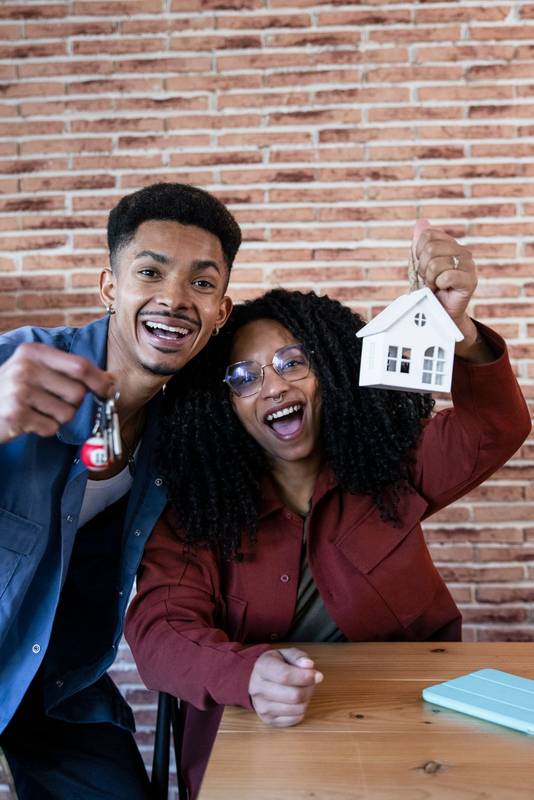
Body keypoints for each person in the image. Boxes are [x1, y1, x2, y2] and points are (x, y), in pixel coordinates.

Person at [125, 224, 531, 798]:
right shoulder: (199, 509)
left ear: (331, 375)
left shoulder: (388, 464)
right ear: (224, 405)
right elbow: (160, 630)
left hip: (409, 726)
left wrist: (459, 332)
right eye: (244, 378)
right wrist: (245, 674)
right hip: (262, 739)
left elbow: (496, 427)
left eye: (294, 362)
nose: (272, 386)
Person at [0, 182, 240, 799]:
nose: (175, 299)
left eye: (202, 283)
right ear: (111, 287)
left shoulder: (186, 432)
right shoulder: (17, 367)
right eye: (151, 272)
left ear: (222, 311)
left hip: (55, 683)